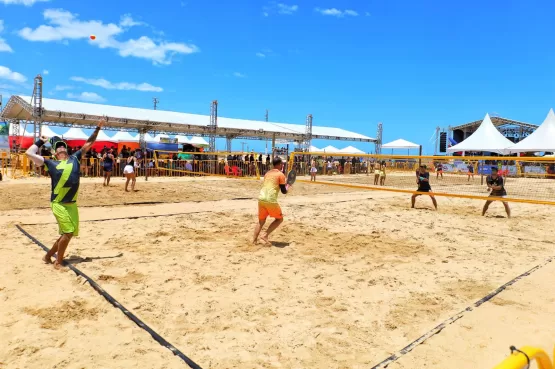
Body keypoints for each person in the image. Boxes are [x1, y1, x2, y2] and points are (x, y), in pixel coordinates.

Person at [25, 118, 104, 269]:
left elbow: (89, 144)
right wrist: (40, 142)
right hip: (58, 204)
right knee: (67, 233)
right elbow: (29, 153)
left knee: (68, 234)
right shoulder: (49, 163)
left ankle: (48, 256)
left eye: (63, 146)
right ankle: (58, 262)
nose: (61, 148)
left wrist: (97, 129)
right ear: (54, 152)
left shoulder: (75, 158)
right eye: (58, 147)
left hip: (72, 205)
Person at [253, 157, 290, 245]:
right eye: (282, 164)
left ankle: (254, 240)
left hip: (261, 198)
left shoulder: (267, 173)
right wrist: (288, 186)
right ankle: (265, 235)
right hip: (270, 200)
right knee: (279, 219)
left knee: (261, 221)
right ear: (280, 164)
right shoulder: (281, 175)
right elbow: (284, 191)